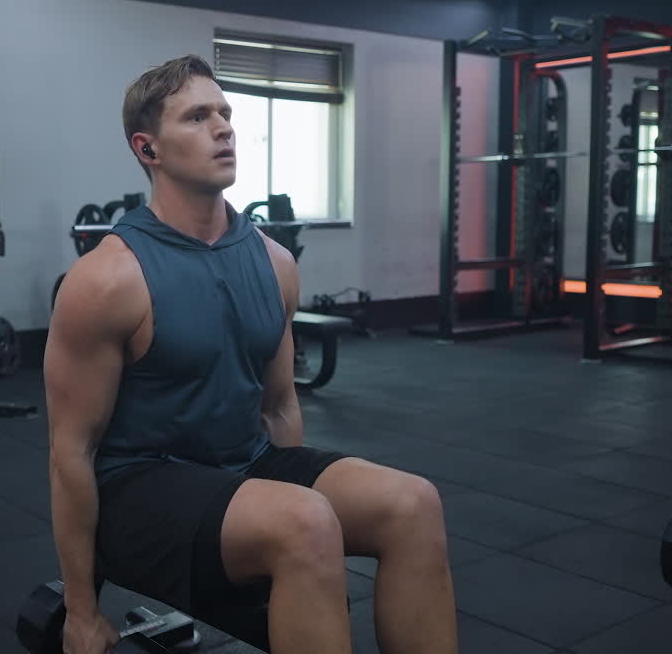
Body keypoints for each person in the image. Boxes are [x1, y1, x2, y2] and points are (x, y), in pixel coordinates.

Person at [44, 54, 458, 654]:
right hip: (137, 494)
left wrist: (283, 532)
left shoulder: (274, 263)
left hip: (244, 464)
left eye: (225, 113)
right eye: (196, 117)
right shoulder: (107, 279)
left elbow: (281, 407)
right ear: (148, 148)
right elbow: (71, 451)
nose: (223, 128)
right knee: (306, 523)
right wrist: (82, 609)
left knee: (412, 503)